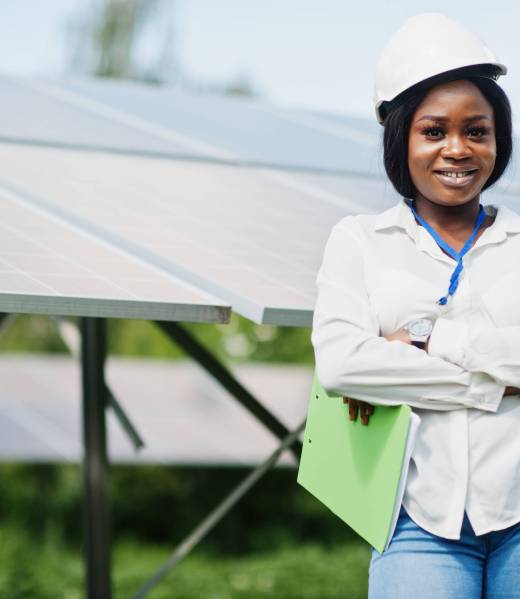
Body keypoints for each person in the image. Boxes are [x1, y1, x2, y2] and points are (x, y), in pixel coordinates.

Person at [310, 12, 520, 599]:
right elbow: (344, 366)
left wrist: (428, 343)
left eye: (476, 130)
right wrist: (492, 384)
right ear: (401, 137)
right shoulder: (358, 241)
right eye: (434, 131)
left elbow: (374, 365)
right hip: (417, 521)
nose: (458, 149)